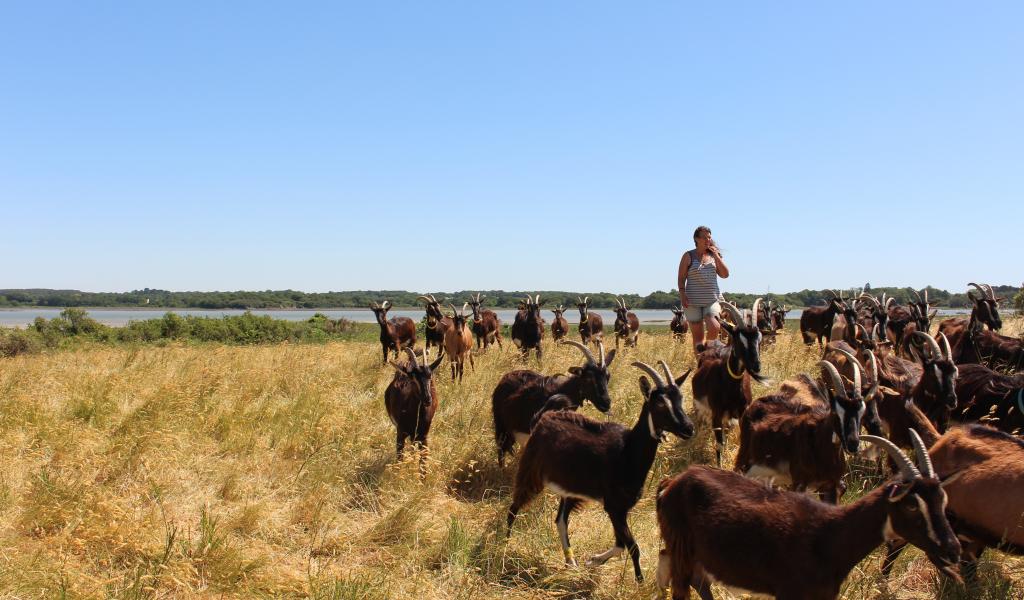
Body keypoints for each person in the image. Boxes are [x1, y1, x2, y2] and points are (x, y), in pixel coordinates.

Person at [678, 226, 730, 355]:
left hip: (712, 300)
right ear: (697, 239)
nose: (708, 240)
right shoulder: (688, 256)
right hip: (692, 302)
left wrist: (716, 256)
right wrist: (682, 294)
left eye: (709, 237)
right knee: (698, 338)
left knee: (714, 326)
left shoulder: (714, 256)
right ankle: (701, 364)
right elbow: (681, 278)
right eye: (705, 237)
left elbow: (725, 274)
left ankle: (709, 352)